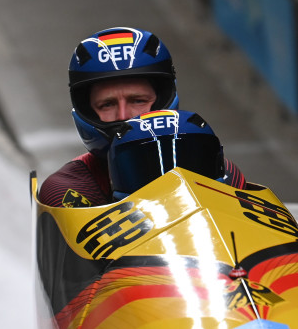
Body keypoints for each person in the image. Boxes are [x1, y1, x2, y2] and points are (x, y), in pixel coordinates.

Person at [39, 26, 245, 207]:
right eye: (107, 104)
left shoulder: (222, 171)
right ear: (88, 111)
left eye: (138, 101)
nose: (124, 115)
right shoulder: (67, 192)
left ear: (162, 101)